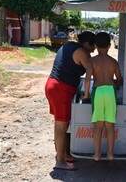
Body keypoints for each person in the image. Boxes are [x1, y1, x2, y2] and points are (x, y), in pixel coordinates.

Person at [45, 31, 96, 171]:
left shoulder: (70, 45)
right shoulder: (82, 53)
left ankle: (63, 154)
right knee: (61, 126)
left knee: (62, 124)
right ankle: (60, 161)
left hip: (53, 85)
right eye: (93, 46)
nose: (94, 49)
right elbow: (89, 74)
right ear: (87, 43)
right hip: (61, 89)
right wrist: (86, 95)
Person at [84, 32, 122, 161]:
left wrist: (86, 95)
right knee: (110, 126)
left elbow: (87, 80)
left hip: (98, 92)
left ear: (96, 45)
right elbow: (119, 79)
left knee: (98, 126)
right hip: (110, 91)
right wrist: (115, 84)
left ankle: (97, 154)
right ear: (109, 45)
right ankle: (110, 154)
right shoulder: (113, 61)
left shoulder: (92, 61)